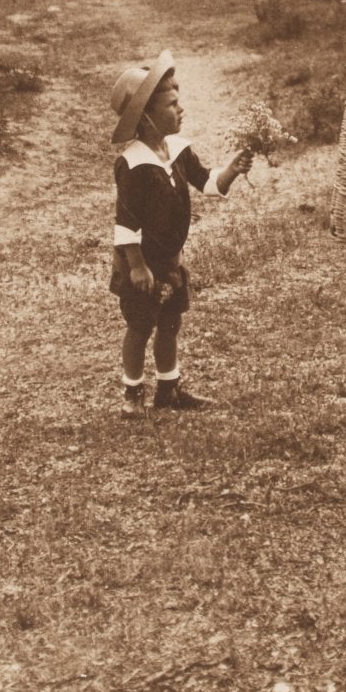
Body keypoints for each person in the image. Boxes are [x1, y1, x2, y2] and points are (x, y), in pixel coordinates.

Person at [109, 51, 254, 418]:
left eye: (179, 101)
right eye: (172, 105)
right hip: (140, 264)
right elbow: (125, 223)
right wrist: (138, 266)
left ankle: (168, 390)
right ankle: (132, 392)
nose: (181, 110)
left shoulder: (177, 149)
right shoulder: (134, 164)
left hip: (170, 262)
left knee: (171, 322)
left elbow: (206, 181)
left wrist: (232, 170)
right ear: (145, 118)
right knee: (140, 327)